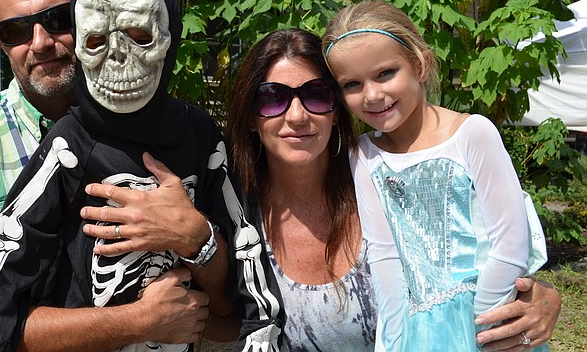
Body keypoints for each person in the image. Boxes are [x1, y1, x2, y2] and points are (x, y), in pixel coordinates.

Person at [0, 0, 283, 352]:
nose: (40, 41)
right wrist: (142, 320)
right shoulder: (63, 144)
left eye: (140, 38)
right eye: (97, 42)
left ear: (169, 38)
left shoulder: (196, 134)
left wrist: (196, 235)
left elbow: (239, 296)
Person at [215, 27, 560, 351]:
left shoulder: (382, 179)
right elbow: (209, 315)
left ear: (336, 110)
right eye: (272, 98)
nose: (297, 116)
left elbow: (481, 248)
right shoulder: (235, 213)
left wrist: (541, 295)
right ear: (249, 116)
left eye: (316, 94)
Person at [322, 0, 551, 351]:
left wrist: (477, 332)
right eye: (351, 84)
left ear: (420, 64)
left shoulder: (472, 134)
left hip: (489, 323)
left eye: (385, 73)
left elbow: (510, 246)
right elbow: (385, 256)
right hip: (418, 333)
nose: (372, 94)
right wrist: (395, 342)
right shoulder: (364, 155)